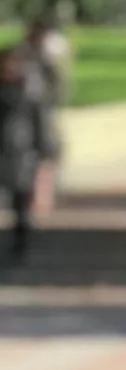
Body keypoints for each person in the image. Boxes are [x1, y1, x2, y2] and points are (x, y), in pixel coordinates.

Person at [0, 44, 60, 264]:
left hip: (21, 153)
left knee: (20, 200)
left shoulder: (29, 91)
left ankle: (21, 242)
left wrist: (44, 152)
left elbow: (40, 122)